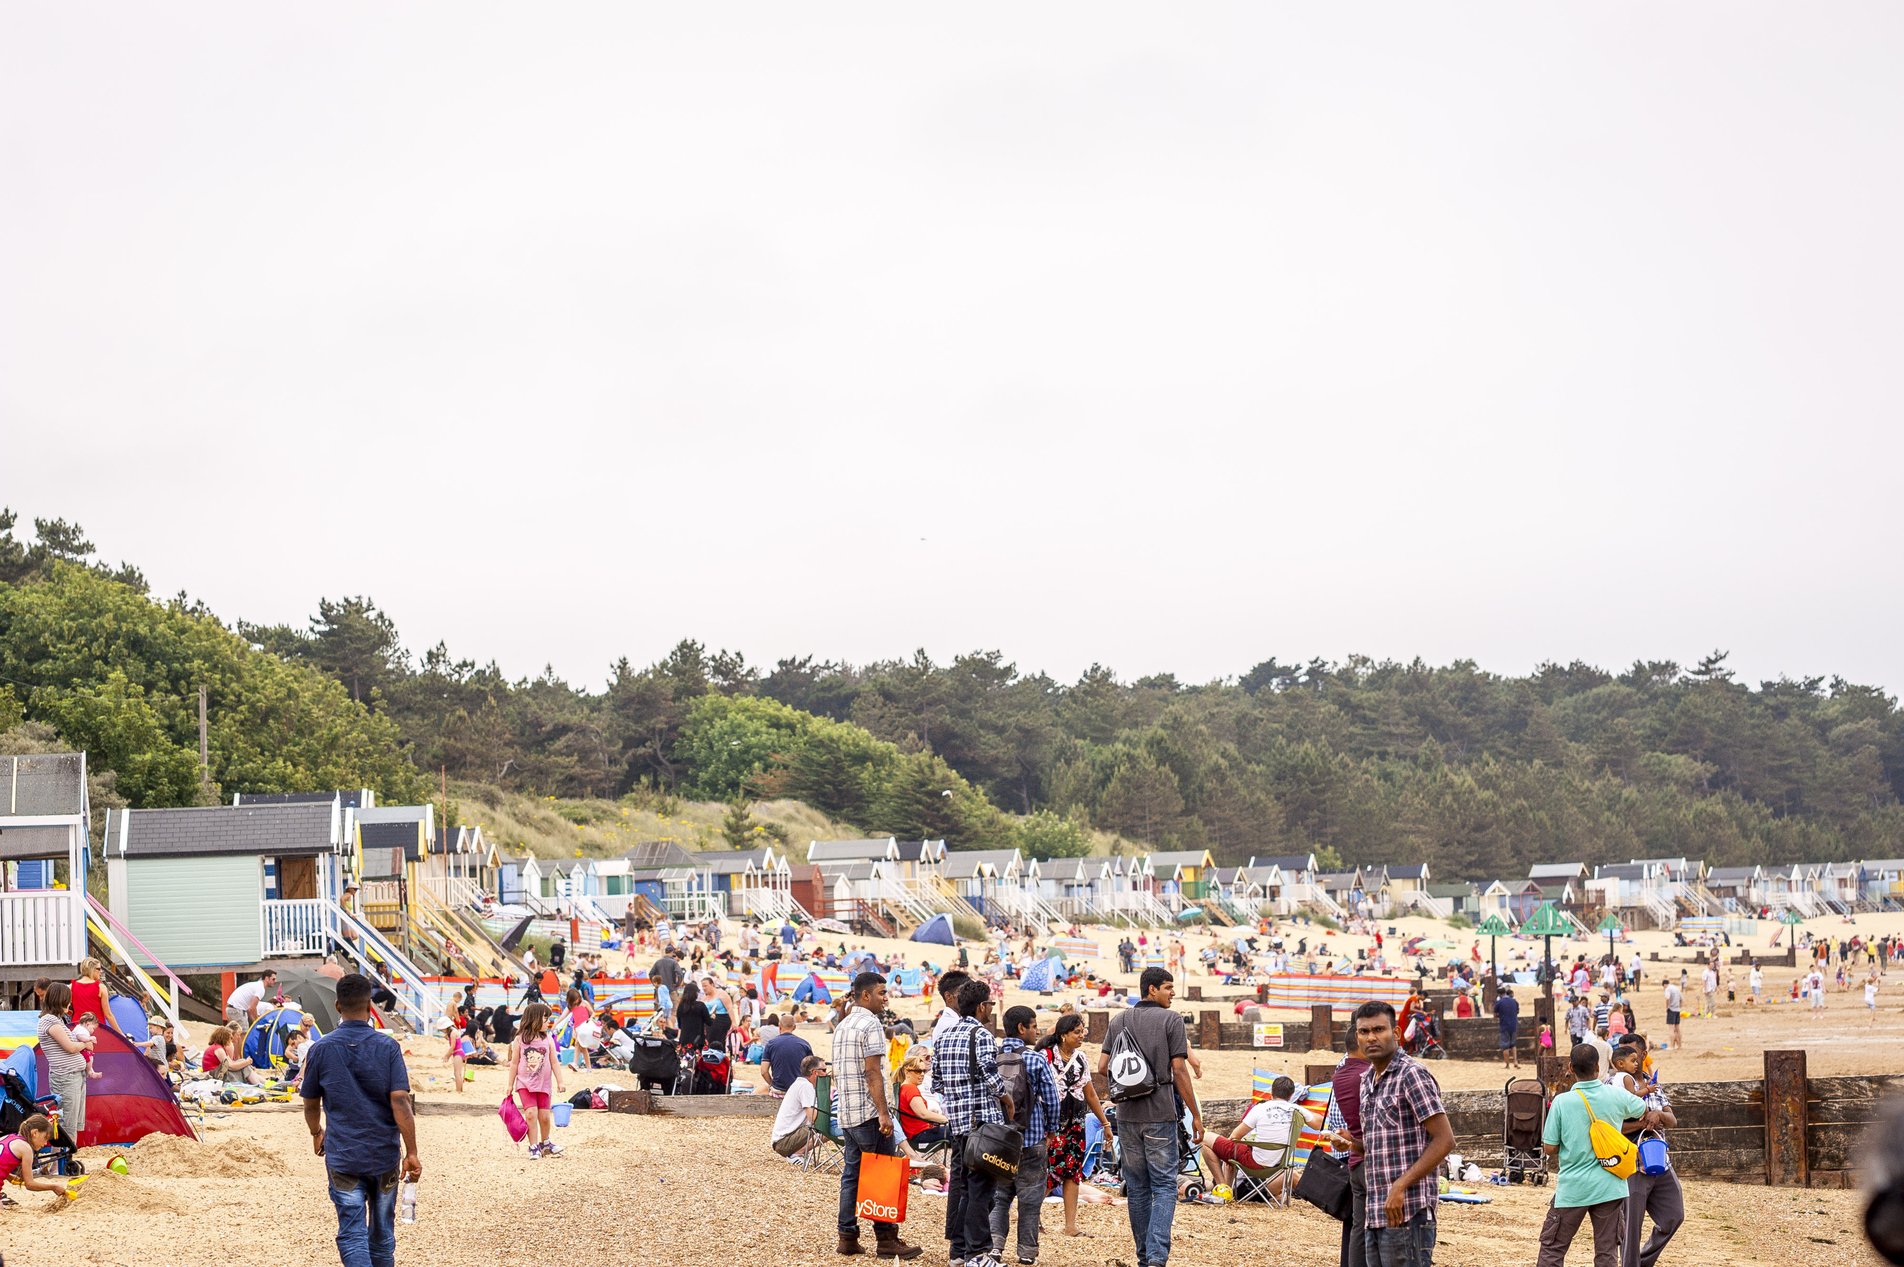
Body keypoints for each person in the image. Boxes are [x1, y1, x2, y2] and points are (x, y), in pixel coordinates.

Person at [300, 974, 421, 1267]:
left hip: (343, 1155)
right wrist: (412, 1151)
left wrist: (317, 1131)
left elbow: (311, 1102)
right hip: (383, 1154)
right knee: (382, 1235)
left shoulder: (321, 1049)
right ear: (370, 1005)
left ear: (338, 1005)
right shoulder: (388, 1047)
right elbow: (400, 1101)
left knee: (352, 1234)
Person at [1096, 967, 1198, 1267]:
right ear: (1151, 990)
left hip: (1127, 1114)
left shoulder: (1119, 1020)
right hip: (1160, 1111)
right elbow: (1180, 1070)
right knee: (1165, 1186)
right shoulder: (1171, 1020)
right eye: (1168, 987)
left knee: (1137, 1186)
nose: (1173, 993)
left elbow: (1103, 1067)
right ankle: (1155, 1258)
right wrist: (1195, 1114)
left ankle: (1144, 1257)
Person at [1341, 1000, 1453, 1267]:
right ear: (1357, 1036)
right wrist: (1354, 1144)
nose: (1371, 1037)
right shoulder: (1367, 1080)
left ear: (1397, 1033)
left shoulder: (1412, 1075)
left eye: (1379, 1030)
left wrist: (1401, 1185)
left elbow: (1445, 1140)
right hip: (1376, 1210)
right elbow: (1383, 1145)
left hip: (1408, 1210)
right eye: (1364, 1032)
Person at [831, 971, 922, 1260]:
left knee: (852, 1176)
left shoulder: (843, 1025)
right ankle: (886, 1239)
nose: (886, 998)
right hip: (869, 1114)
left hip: (848, 1112)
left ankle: (847, 1236)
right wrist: (884, 1114)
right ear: (865, 995)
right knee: (882, 1174)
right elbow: (872, 1072)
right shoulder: (870, 1024)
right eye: (882, 993)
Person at [1536, 1043, 1649, 1267]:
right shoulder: (1615, 1095)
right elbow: (1641, 1108)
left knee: (1553, 1249)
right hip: (1610, 1185)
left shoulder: (1561, 1102)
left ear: (1571, 1068)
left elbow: (1549, 1147)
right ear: (1598, 1068)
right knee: (1607, 1252)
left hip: (1573, 1188)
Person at [934, 977, 1012, 1267]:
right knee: (981, 1189)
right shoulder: (980, 1035)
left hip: (958, 1124)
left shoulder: (944, 1036)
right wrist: (1007, 1099)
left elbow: (938, 1083)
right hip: (983, 1123)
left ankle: (959, 1251)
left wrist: (958, 1099)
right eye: (990, 1003)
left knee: (966, 1188)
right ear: (981, 1006)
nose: (991, 1008)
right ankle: (978, 1253)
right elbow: (991, 1075)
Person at [991, 1005, 1061, 1265]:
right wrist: (1051, 1130)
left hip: (999, 1140)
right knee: (1030, 1200)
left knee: (999, 1197)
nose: (1037, 1031)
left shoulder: (992, 1056)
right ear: (1022, 1028)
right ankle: (1027, 1252)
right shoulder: (1037, 1059)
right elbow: (1053, 1100)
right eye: (1033, 1026)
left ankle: (996, 1246)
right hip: (1031, 1139)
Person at [1035, 1013, 1114, 1240]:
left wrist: (1104, 1122)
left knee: (1072, 1173)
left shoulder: (1080, 1058)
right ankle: (1032, 1217)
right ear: (1063, 1035)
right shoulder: (1045, 1056)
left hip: (1075, 1124)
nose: (1082, 1036)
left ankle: (1071, 1225)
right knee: (1049, 1171)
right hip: (1051, 1125)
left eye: (1082, 1031)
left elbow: (1089, 1092)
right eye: (1077, 1032)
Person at [1609, 1038, 1681, 1267]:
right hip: (1632, 1165)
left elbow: (1672, 1120)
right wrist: (1642, 1124)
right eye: (1627, 1053)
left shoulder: (1653, 1084)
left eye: (1635, 1053)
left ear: (1643, 1054)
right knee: (1631, 1227)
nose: (1633, 1058)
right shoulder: (1614, 1085)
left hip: (1660, 1160)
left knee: (1674, 1216)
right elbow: (1611, 1127)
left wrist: (1658, 1115)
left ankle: (1641, 1261)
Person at [1202, 1073, 1318, 1200]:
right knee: (1291, 1176)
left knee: (1205, 1139)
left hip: (1254, 1163)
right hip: (1279, 1165)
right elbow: (1318, 1124)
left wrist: (1227, 1155)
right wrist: (1307, 1113)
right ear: (1291, 1095)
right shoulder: (1297, 1110)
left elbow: (1235, 1135)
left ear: (1271, 1093)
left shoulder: (1261, 1108)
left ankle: (1223, 1187)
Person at [1327, 1050, 1373, 1267]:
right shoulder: (1364, 1073)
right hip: (1358, 1152)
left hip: (1347, 1151)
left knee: (1354, 1224)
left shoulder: (1342, 1070)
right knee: (1365, 1224)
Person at [504, 1001, 565, 1159]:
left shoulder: (548, 1039)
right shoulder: (520, 1040)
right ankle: (533, 1146)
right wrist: (510, 1084)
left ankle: (546, 1144)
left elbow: (554, 1062)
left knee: (544, 1116)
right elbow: (515, 1063)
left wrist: (560, 1081)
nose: (548, 1022)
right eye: (546, 1019)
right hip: (525, 1083)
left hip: (544, 1084)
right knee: (531, 1114)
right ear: (535, 1019)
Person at [36, 984, 93, 1140]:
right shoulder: (50, 1021)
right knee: (66, 1124)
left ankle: (62, 1162)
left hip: (73, 1076)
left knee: (70, 1122)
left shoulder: (57, 1020)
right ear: (60, 1000)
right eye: (68, 1000)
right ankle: (62, 1163)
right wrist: (85, 1044)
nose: (69, 1004)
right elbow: (70, 1047)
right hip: (66, 1077)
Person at [0, 1114, 70, 1206]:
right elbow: (30, 1185)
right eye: (45, 1138)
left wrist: (8, 1176)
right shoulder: (26, 1149)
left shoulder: (9, 1137)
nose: (45, 1143)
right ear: (35, 1133)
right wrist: (53, 1187)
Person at [771, 1052, 827, 1164]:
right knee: (829, 1126)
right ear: (815, 1072)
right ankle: (797, 1154)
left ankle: (799, 1153)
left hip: (782, 1140)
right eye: (824, 1070)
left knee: (828, 1124)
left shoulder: (800, 1084)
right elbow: (813, 1118)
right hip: (784, 1143)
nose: (826, 1074)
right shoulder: (805, 1087)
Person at [895, 1045, 949, 1150]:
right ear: (907, 1072)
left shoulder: (904, 1087)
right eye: (918, 1071)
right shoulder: (910, 1089)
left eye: (923, 1071)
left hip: (918, 1133)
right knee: (960, 1134)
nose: (922, 1075)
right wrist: (946, 1120)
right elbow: (923, 1113)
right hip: (920, 1135)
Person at [762, 1018, 814, 1094]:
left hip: (779, 1089)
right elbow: (811, 1069)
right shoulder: (804, 1044)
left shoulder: (771, 1044)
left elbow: (764, 1071)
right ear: (794, 1027)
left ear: (779, 1027)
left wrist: (772, 1084)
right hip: (799, 1090)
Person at [70, 958, 121, 1037]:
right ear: (91, 969)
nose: (101, 972)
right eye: (99, 969)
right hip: (97, 1028)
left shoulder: (71, 987)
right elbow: (108, 1015)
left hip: (77, 1028)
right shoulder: (101, 988)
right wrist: (121, 1035)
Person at [675, 983, 711, 1050]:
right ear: (695, 993)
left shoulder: (681, 1006)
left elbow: (680, 1025)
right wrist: (713, 1016)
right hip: (698, 1040)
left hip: (684, 1039)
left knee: (685, 1059)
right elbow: (709, 1022)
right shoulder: (701, 1005)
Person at [1494, 986, 1521, 1070]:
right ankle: (1515, 1061)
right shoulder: (1514, 1001)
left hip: (1504, 1025)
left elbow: (1495, 1015)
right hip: (1513, 1024)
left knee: (1505, 1045)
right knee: (1513, 1044)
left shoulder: (1499, 1003)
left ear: (1499, 994)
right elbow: (1517, 1011)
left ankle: (1507, 1064)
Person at [1662, 980, 1683, 1050]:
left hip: (1671, 1010)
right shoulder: (1676, 988)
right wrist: (1679, 1007)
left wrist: (1667, 1007)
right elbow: (1682, 999)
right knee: (1678, 1028)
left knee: (1671, 1028)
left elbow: (1667, 998)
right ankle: (1679, 1045)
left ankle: (1671, 1046)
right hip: (1677, 1010)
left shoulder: (1668, 989)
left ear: (1664, 985)